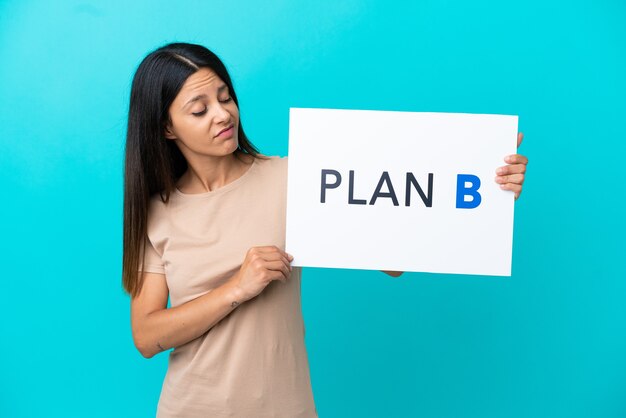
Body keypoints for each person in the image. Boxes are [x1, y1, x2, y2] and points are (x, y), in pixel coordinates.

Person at [121, 42, 529, 418]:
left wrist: (487, 193)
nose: (222, 113)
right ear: (167, 128)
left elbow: (394, 263)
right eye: (199, 109)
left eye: (225, 97)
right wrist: (236, 289)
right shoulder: (157, 212)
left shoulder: (293, 179)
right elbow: (147, 335)